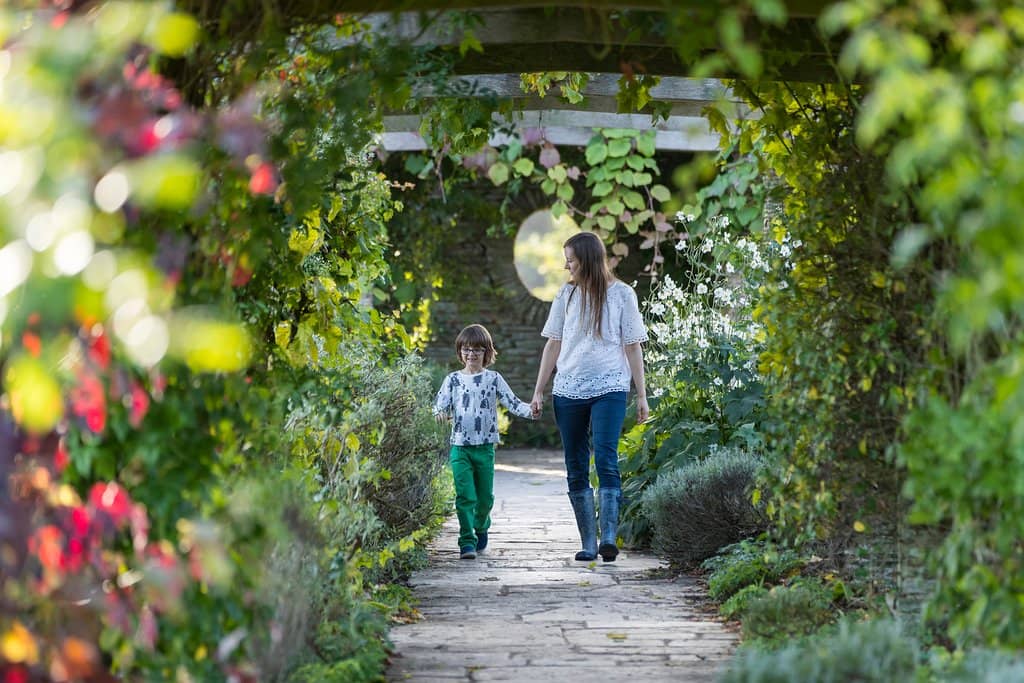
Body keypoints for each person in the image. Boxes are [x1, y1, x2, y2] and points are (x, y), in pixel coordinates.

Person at [530, 231, 649, 563]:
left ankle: (609, 536)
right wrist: (539, 389)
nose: (567, 265)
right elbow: (553, 343)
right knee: (575, 465)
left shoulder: (623, 295)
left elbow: (632, 346)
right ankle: (589, 542)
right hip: (568, 389)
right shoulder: (566, 294)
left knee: (607, 457)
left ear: (588, 259)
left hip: (611, 386)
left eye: (571, 259)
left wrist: (642, 395)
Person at [434, 323, 535, 560]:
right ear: (460, 352)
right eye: (466, 349)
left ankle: (481, 527)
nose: (471, 354)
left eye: (477, 350)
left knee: (485, 497)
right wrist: (439, 413)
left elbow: (513, 402)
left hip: (485, 447)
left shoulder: (493, 379)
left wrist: (533, 410)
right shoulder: (453, 380)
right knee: (465, 495)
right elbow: (440, 405)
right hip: (460, 447)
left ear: (486, 353)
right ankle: (466, 541)